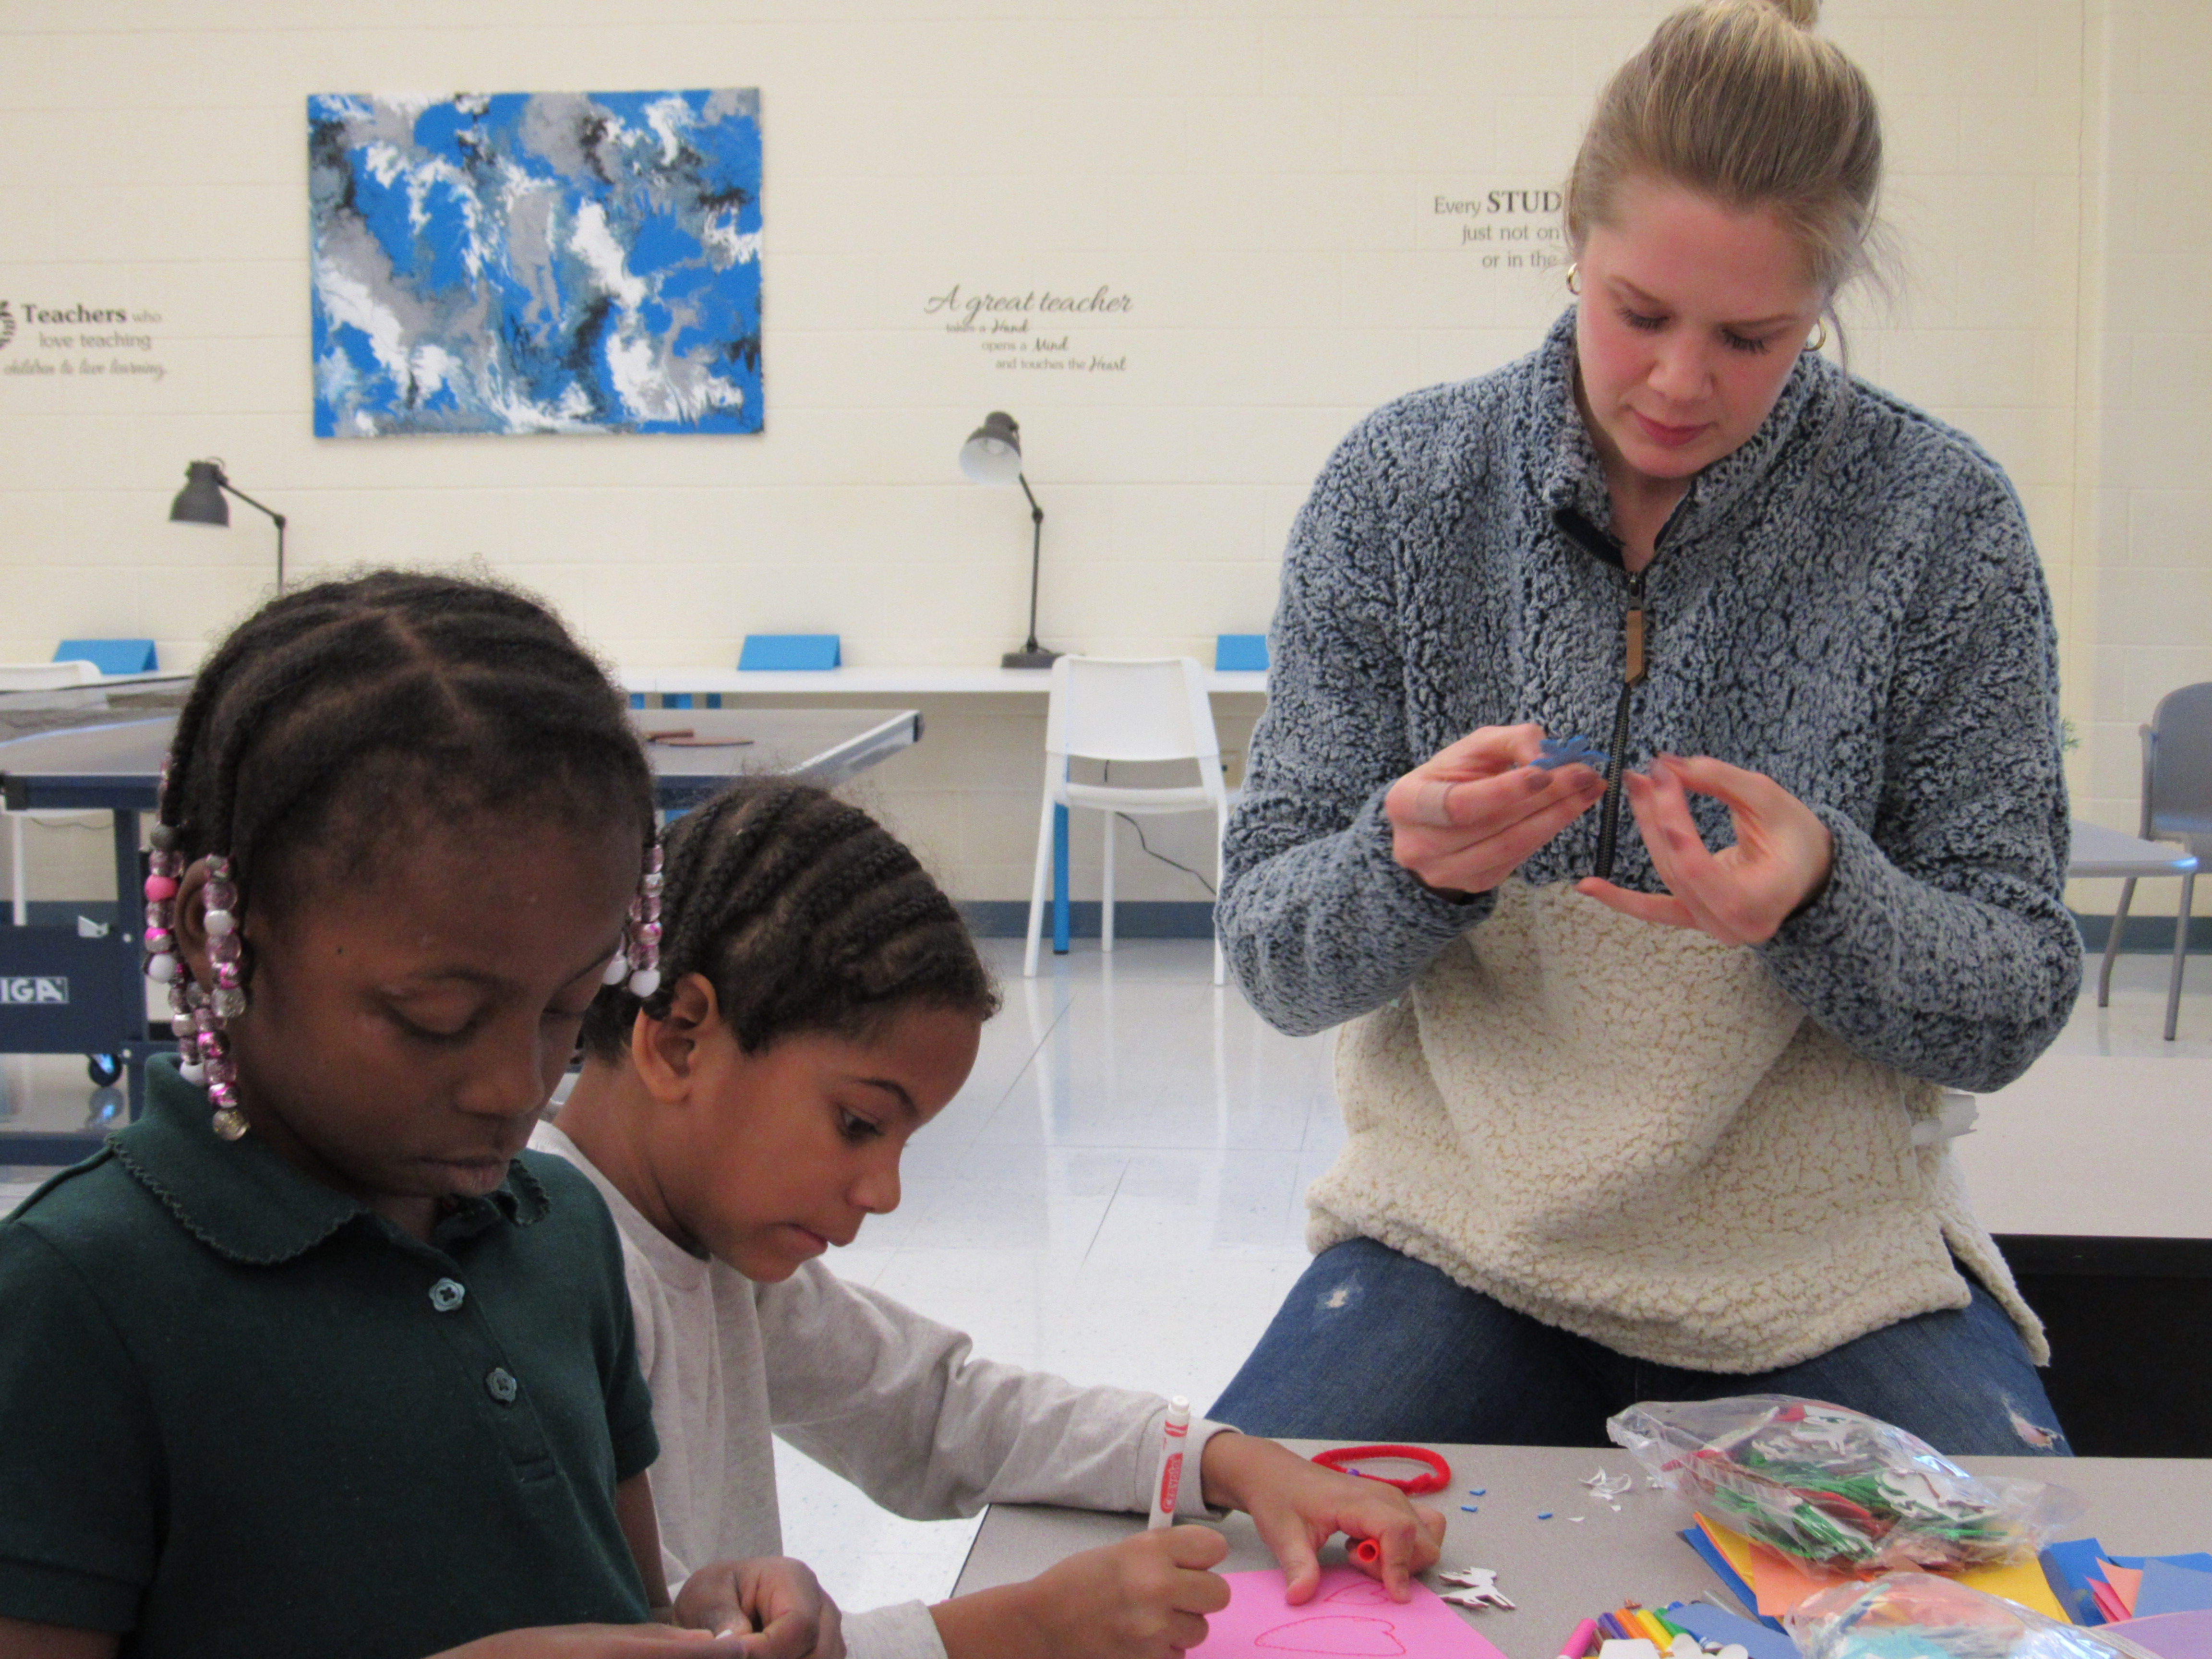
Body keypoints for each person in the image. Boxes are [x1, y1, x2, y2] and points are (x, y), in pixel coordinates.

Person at [1209, 0, 2080, 1456]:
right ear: (1572, 236)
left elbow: (2015, 991)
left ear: (1828, 295)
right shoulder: (1399, 492)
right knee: (1237, 1581)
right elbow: (1272, 957)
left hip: (1826, 1270)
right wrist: (1404, 867)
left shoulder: (1942, 523)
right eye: (1641, 313)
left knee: (2030, 1597)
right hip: (1460, 1234)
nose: (1681, 384)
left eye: (1753, 335)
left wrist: (1822, 898)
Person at [0, 574, 835, 1659]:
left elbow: (613, 1603)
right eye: (436, 1018)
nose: (513, 1086)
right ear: (222, 936)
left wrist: (701, 1615)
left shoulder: (565, 1230)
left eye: (569, 1008)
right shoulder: (78, 1298)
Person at [536, 778, 1449, 1659]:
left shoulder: (707, 1248)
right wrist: (1015, 1633)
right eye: (858, 1124)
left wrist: (1230, 1462)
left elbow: (938, 1410)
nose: (884, 1190)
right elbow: (643, 1646)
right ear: (680, 1037)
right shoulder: (540, 1279)